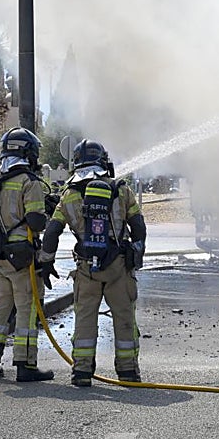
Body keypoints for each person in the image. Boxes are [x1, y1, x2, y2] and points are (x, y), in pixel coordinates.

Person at [37, 138, 146, 387]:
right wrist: (136, 253)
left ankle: (82, 372)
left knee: (85, 318)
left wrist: (47, 262)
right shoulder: (122, 190)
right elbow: (138, 226)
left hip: (86, 268)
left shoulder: (69, 195)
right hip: (119, 266)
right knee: (124, 317)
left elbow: (52, 232)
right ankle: (128, 371)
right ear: (103, 161)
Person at [0, 127, 55, 383]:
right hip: (23, 259)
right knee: (27, 309)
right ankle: (25, 364)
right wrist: (46, 211)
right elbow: (35, 222)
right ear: (29, 152)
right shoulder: (29, 182)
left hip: (1, 257)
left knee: (1, 306)